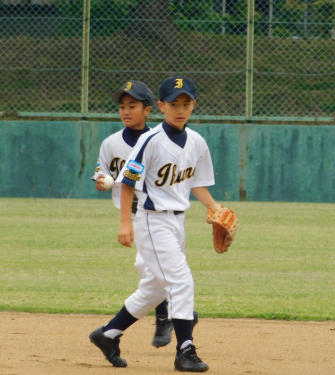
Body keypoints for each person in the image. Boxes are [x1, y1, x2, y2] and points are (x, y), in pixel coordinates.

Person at [90, 76, 219, 372]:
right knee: (181, 281)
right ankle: (185, 351)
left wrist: (215, 208)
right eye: (174, 104)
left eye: (186, 103)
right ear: (160, 106)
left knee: (155, 289)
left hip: (177, 222)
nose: (180, 109)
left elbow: (197, 183)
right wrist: (125, 223)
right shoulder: (150, 141)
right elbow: (126, 183)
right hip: (151, 221)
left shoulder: (197, 142)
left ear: (193, 106)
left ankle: (107, 334)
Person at [92, 80, 174, 349]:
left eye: (133, 106)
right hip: (132, 215)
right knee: (150, 268)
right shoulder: (110, 143)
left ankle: (167, 317)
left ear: (148, 110)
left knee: (146, 266)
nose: (126, 111)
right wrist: (102, 179)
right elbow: (100, 174)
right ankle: (177, 312)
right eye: (122, 106)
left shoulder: (157, 142)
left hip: (154, 215)